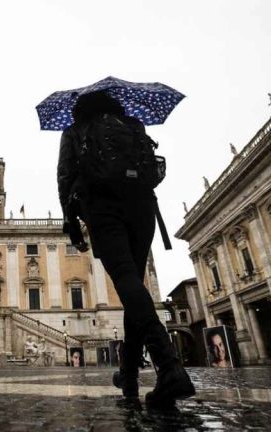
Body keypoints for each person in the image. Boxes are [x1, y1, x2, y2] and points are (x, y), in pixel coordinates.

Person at [57, 91, 194, 407]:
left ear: (80, 109)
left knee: (125, 279)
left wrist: (70, 221)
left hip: (102, 207)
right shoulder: (133, 124)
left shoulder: (75, 130)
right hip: (143, 207)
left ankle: (170, 366)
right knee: (135, 286)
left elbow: (65, 177)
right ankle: (129, 374)